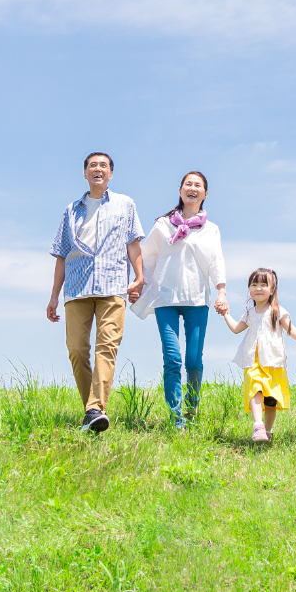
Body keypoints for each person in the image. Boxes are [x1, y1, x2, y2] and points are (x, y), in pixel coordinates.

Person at [46, 151, 145, 434]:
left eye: (103, 165)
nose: (97, 169)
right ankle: (93, 410)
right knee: (77, 349)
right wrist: (54, 295)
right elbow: (62, 256)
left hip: (113, 285)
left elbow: (133, 244)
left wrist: (139, 277)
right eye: (92, 166)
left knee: (107, 346)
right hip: (76, 287)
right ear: (85, 174)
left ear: (110, 174)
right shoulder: (71, 210)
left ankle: (94, 409)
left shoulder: (125, 205)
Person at [130, 170, 229, 429]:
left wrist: (221, 290)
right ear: (180, 190)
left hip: (197, 297)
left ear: (205, 194)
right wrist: (140, 282)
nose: (192, 188)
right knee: (172, 358)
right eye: (188, 184)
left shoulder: (211, 229)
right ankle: (176, 416)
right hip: (166, 297)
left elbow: (217, 260)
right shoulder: (163, 224)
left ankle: (192, 404)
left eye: (198, 185)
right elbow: (147, 255)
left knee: (194, 361)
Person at [224, 266, 296, 443]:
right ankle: (258, 426)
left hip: (273, 361)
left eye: (263, 284)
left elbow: (290, 329)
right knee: (255, 388)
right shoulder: (249, 313)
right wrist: (225, 313)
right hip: (252, 359)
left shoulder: (277, 311)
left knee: (271, 399)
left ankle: (268, 430)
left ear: (272, 290)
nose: (258, 288)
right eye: (254, 284)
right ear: (249, 289)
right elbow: (236, 329)